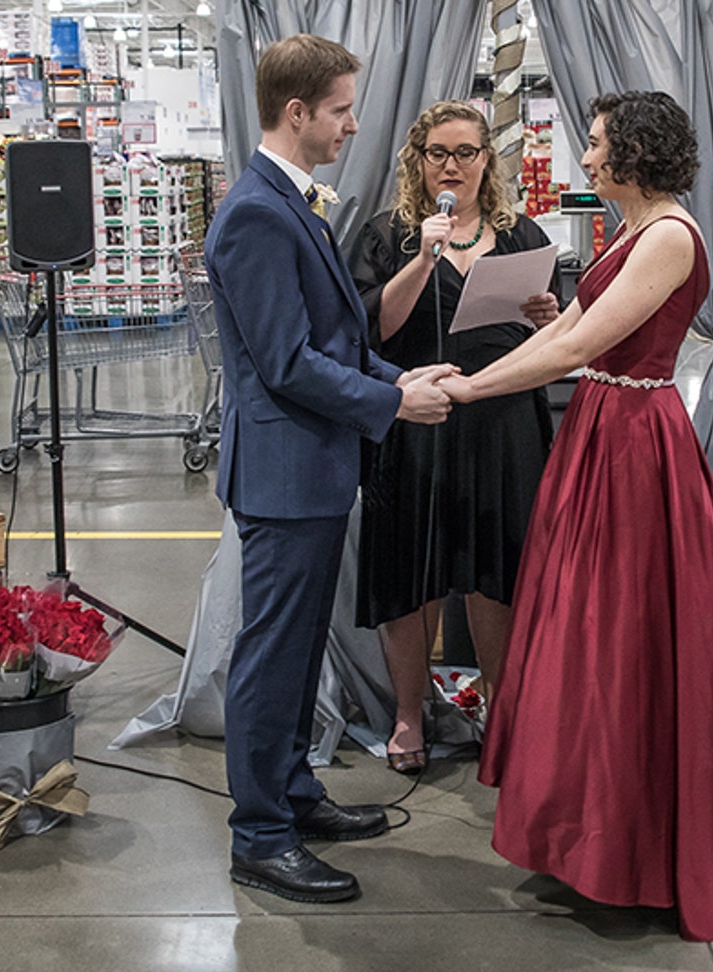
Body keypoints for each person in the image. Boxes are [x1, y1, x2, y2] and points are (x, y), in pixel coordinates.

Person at [446, 91, 713, 942]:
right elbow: (570, 327)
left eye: (596, 143)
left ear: (635, 153)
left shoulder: (670, 238)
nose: (585, 157)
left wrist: (467, 389)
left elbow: (576, 349)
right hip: (604, 435)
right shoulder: (633, 233)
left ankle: (635, 839)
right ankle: (596, 830)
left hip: (635, 443)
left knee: (623, 633)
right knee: (593, 632)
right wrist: (478, 380)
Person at [204, 34, 454, 905]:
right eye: (342, 109)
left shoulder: (292, 203)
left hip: (310, 466)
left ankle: (295, 797)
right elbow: (284, 362)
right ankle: (260, 836)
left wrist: (397, 376)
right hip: (283, 473)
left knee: (302, 647)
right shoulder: (255, 213)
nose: (353, 124)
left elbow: (333, 341)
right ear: (297, 111)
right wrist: (390, 406)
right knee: (272, 656)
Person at [349, 101, 561, 775]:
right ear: (418, 161)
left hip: (502, 421)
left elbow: (547, 338)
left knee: (496, 570)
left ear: (485, 161)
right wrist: (425, 257)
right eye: (438, 153)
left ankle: (502, 706)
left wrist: (548, 317)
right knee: (411, 572)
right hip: (418, 420)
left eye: (466, 152)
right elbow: (372, 330)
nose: (453, 165)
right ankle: (410, 714)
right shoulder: (390, 236)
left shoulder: (521, 235)